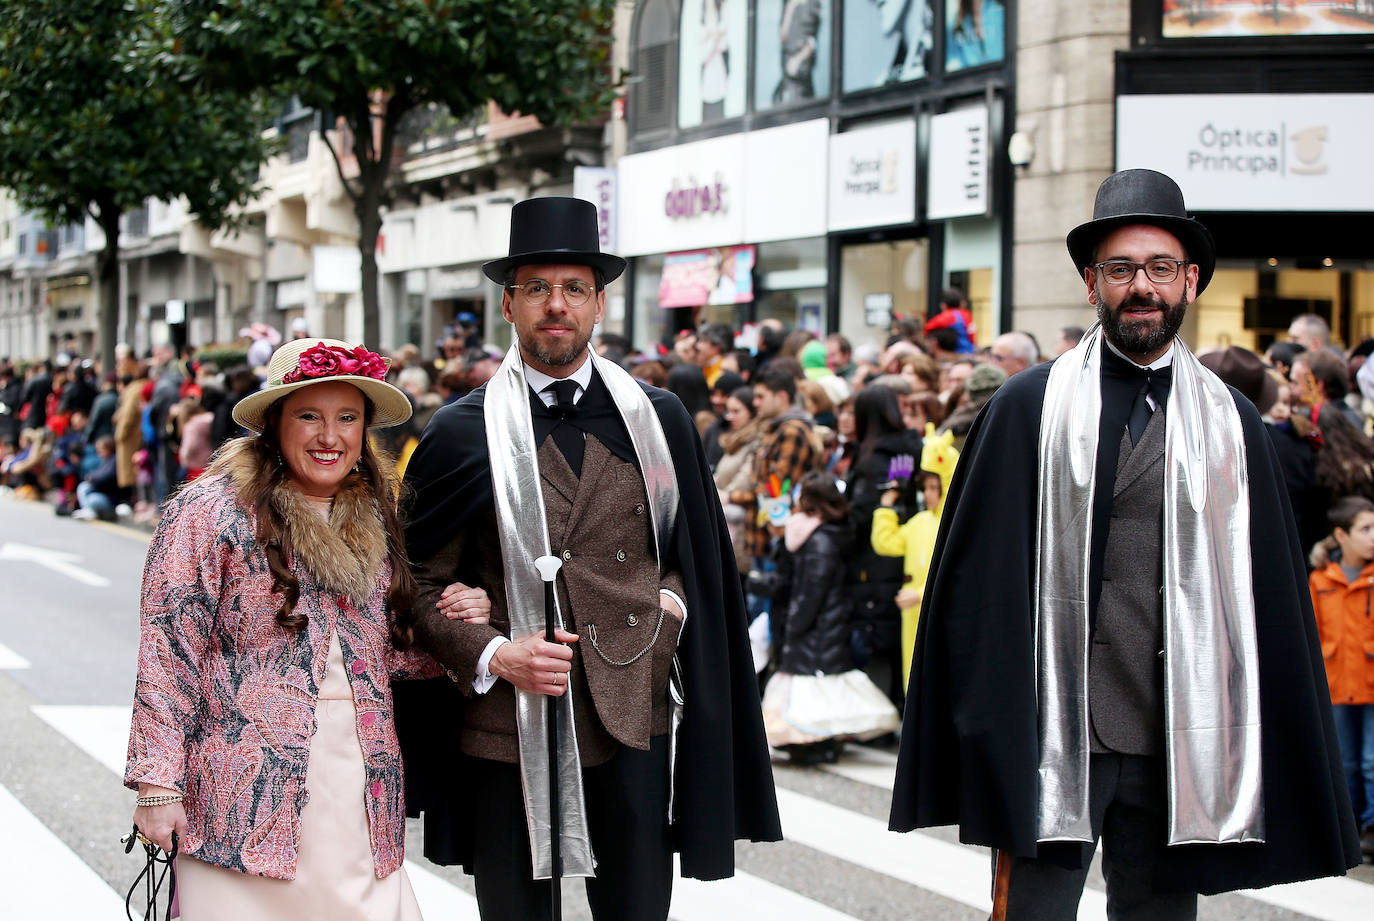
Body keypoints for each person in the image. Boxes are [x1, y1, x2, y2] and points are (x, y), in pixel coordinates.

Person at [889, 168, 1360, 917]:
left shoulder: (1234, 422)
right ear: (1091, 283)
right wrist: (986, 724)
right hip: (1055, 732)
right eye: (1121, 269)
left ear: (1191, 282)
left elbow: (1269, 591)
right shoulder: (1027, 407)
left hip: (1179, 735)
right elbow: (976, 586)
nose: (1142, 286)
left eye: (1160, 268)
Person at [396, 197, 781, 921]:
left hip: (631, 711)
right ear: (508, 303)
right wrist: (492, 651)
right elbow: (413, 586)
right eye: (537, 288)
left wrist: (665, 613)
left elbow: (692, 556)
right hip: (505, 724)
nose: (556, 305)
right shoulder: (458, 430)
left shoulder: (657, 416)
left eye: (573, 288)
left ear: (600, 302)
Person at [124, 337, 489, 921]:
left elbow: (383, 651)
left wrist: (458, 622)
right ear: (274, 424)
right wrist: (157, 786)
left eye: (347, 417)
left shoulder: (373, 513)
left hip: (359, 781)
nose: (330, 436)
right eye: (309, 416)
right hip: (240, 792)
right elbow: (170, 649)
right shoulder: (212, 510)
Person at [751, 472, 899, 764]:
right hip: (823, 625)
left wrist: (794, 624)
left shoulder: (819, 542)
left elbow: (810, 593)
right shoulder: (822, 537)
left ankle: (817, 743)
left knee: (815, 689)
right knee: (819, 688)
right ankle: (811, 742)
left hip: (819, 627)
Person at [1308, 496, 1374, 860]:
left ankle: (1371, 827)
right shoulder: (1321, 580)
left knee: (1371, 761)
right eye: (1365, 529)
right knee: (1346, 760)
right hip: (1335, 685)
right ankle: (1347, 829)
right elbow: (1314, 633)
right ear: (1341, 535)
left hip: (1370, 682)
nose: (1372, 537)